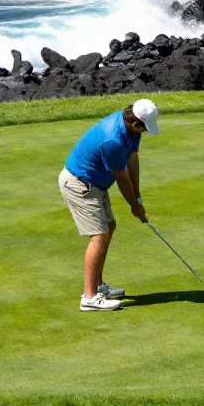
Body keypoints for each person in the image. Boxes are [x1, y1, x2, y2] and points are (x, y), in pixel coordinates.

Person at [58, 99, 161, 311]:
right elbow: (122, 178)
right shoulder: (112, 140)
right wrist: (134, 206)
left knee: (109, 226)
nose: (144, 132)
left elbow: (132, 160)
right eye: (143, 128)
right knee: (99, 234)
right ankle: (89, 297)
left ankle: (97, 285)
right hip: (80, 183)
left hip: (95, 184)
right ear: (135, 122)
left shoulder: (131, 130)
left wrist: (138, 196)